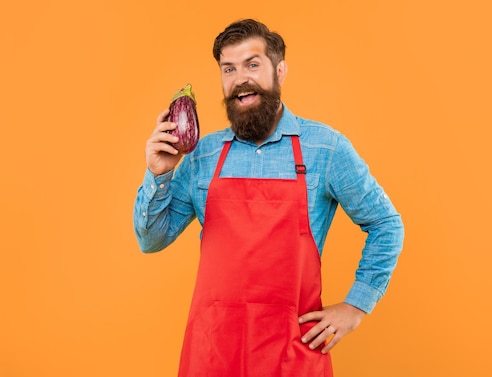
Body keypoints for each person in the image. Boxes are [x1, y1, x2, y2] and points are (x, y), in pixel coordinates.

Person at [133, 18, 404, 377]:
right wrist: (159, 172)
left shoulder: (324, 148)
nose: (240, 78)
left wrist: (357, 306)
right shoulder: (203, 154)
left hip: (292, 351)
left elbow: (386, 224)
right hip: (213, 351)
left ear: (280, 70)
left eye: (252, 64)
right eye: (228, 68)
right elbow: (151, 239)